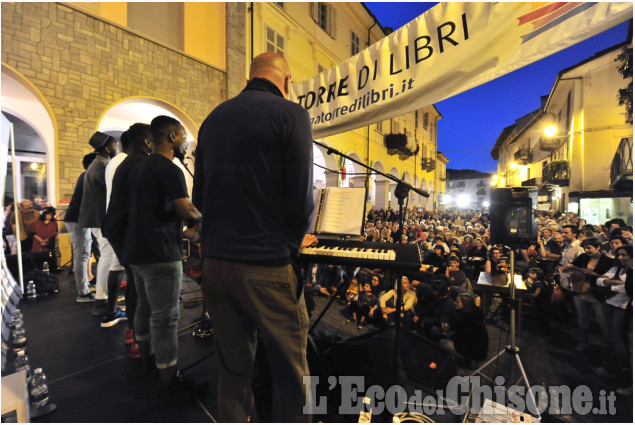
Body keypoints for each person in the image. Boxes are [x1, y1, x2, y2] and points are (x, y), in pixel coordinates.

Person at [193, 52, 316, 422]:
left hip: (216, 265)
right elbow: (301, 199)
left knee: (232, 372)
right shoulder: (292, 114)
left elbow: (199, 197)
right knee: (291, 376)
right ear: (287, 81)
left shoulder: (212, 119)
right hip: (266, 266)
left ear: (250, 77)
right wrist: (295, 241)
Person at [124, 115, 205, 402]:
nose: (184, 141)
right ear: (171, 137)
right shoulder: (169, 169)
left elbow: (153, 211)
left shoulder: (139, 167)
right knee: (167, 318)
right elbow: (186, 209)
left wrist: (184, 231)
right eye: (182, 136)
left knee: (144, 310)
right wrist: (207, 219)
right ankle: (170, 381)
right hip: (160, 254)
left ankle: (147, 364)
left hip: (136, 252)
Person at [103, 123, 153, 355]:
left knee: (136, 281)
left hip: (119, 229)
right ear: (145, 141)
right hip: (123, 231)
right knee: (137, 283)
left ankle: (135, 332)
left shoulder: (128, 163)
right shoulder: (137, 164)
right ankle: (136, 335)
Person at [78, 131, 124, 319]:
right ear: (107, 148)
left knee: (107, 257)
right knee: (108, 257)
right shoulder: (101, 166)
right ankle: (101, 301)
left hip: (97, 217)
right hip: (99, 218)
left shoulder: (99, 164)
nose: (116, 148)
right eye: (114, 145)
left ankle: (102, 298)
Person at [65, 153, 98, 302]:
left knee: (83, 255)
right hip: (78, 220)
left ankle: (84, 287)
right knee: (82, 256)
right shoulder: (88, 177)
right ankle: (83, 293)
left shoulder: (83, 176)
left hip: (77, 219)